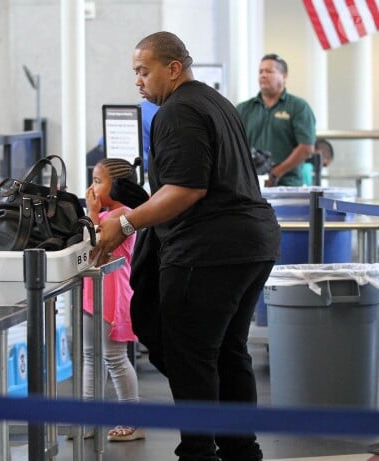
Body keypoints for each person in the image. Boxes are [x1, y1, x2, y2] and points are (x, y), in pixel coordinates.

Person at [93, 31, 281, 461]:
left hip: (210, 251)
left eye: (144, 71)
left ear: (172, 68)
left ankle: (198, 452)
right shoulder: (217, 103)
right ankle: (241, 449)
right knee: (229, 352)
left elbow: (186, 189)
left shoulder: (176, 111)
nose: (138, 81)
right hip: (253, 243)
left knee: (190, 354)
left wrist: (125, 221)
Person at [82, 157, 148, 442]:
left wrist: (93, 214)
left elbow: (96, 248)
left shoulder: (125, 217)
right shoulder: (110, 214)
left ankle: (132, 420)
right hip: (92, 291)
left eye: (98, 182)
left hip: (112, 293)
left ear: (117, 186)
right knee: (89, 356)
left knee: (114, 357)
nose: (92, 188)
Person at [236, 53, 316, 187]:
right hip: (249, 186)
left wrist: (275, 174)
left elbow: (306, 148)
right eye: (260, 71)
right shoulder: (243, 109)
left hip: (287, 187)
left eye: (269, 71)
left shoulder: (298, 107)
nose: (263, 75)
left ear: (284, 76)